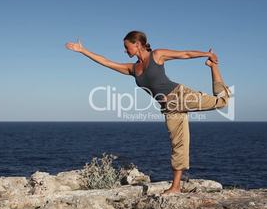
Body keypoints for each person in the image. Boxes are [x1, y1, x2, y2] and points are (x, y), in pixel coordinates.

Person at [65, 30, 231, 195]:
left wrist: (207, 55)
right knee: (178, 144)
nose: (125, 50)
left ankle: (213, 67)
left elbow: (185, 54)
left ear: (137, 44)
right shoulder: (133, 68)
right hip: (169, 108)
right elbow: (107, 62)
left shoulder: (157, 55)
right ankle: (176, 187)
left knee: (222, 102)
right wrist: (83, 51)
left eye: (126, 47)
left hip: (181, 95)